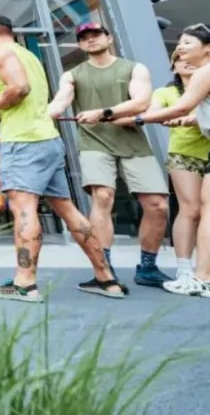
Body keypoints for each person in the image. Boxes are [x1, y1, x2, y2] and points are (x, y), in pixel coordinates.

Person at [0, 14, 123, 303]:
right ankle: (106, 279)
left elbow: (20, 89)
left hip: (23, 140)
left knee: (23, 209)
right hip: (47, 139)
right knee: (68, 210)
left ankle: (25, 283)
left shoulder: (0, 53)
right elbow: (20, 91)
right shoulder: (27, 55)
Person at [46, 21, 170, 287]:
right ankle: (104, 267)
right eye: (84, 37)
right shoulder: (72, 74)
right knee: (102, 197)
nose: (90, 39)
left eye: (96, 34)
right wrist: (43, 115)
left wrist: (103, 113)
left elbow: (141, 102)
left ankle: (148, 268)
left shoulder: (134, 68)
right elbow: (61, 100)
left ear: (109, 38)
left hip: (132, 142)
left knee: (157, 205)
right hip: (94, 142)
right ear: (80, 44)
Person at [126, 23, 210, 299]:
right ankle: (203, 276)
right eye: (180, 42)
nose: (180, 47)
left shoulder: (209, 71)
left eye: (187, 42)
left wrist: (136, 118)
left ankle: (206, 278)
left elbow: (182, 107)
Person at [110, 48, 210, 287]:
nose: (186, 63)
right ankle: (184, 268)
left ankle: (209, 266)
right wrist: (163, 117)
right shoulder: (166, 92)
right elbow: (154, 111)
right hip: (185, 154)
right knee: (190, 210)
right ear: (173, 67)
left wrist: (194, 118)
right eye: (179, 60)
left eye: (189, 59)